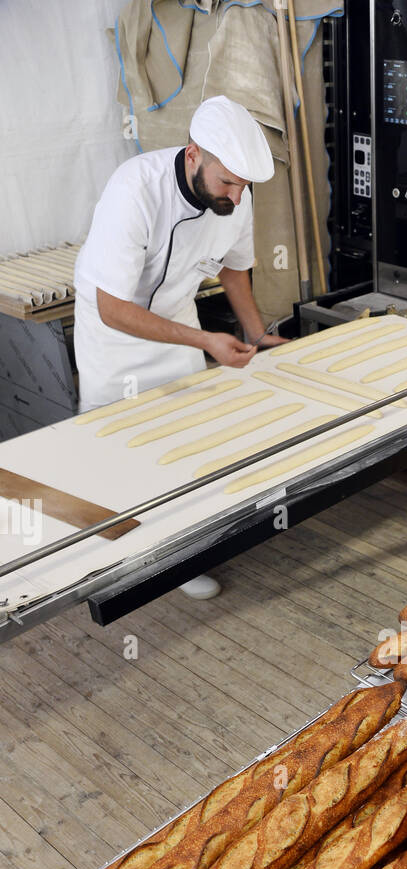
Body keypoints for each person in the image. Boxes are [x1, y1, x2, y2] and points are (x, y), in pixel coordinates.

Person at [74, 95, 284, 598]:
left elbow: (234, 268)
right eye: (227, 182)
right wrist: (207, 341)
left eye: (245, 185)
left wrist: (255, 333)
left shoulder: (237, 198)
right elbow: (113, 309)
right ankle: (112, 567)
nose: (236, 195)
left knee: (187, 443)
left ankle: (180, 558)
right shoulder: (135, 189)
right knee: (116, 448)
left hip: (177, 318)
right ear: (193, 155)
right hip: (114, 336)